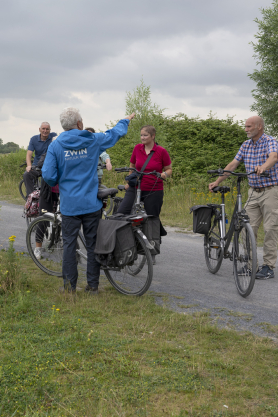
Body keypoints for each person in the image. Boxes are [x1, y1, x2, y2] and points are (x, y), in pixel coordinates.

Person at [42, 107, 135, 294]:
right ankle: (93, 286)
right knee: (93, 244)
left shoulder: (56, 145)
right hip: (91, 203)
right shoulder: (92, 140)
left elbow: (49, 176)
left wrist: (62, 178)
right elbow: (113, 134)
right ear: (79, 124)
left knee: (69, 245)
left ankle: (69, 287)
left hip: (70, 205)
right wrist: (124, 120)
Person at [208, 115, 278, 279]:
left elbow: (273, 157)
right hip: (253, 191)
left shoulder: (270, 141)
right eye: (246, 126)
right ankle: (250, 266)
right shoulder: (246, 145)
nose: (246, 129)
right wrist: (217, 181)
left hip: (271, 191)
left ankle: (268, 267)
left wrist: (263, 167)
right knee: (246, 228)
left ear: (259, 127)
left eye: (249, 126)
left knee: (271, 229)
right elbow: (233, 164)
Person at [117, 126, 172, 260]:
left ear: (153, 136)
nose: (142, 138)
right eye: (141, 135)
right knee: (122, 213)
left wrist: (163, 175)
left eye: (145, 135)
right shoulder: (137, 148)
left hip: (154, 188)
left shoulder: (161, 151)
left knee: (152, 219)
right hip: (136, 187)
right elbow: (132, 165)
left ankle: (152, 250)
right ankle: (125, 247)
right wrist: (130, 180)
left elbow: (169, 169)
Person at [24, 122, 57, 196]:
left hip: (49, 166)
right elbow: (29, 154)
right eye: (43, 129)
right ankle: (30, 197)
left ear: (50, 130)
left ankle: (48, 197)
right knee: (27, 174)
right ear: (39, 129)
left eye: (47, 129)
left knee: (48, 179)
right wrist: (29, 165)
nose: (45, 131)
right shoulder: (33, 139)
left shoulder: (53, 136)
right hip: (37, 166)